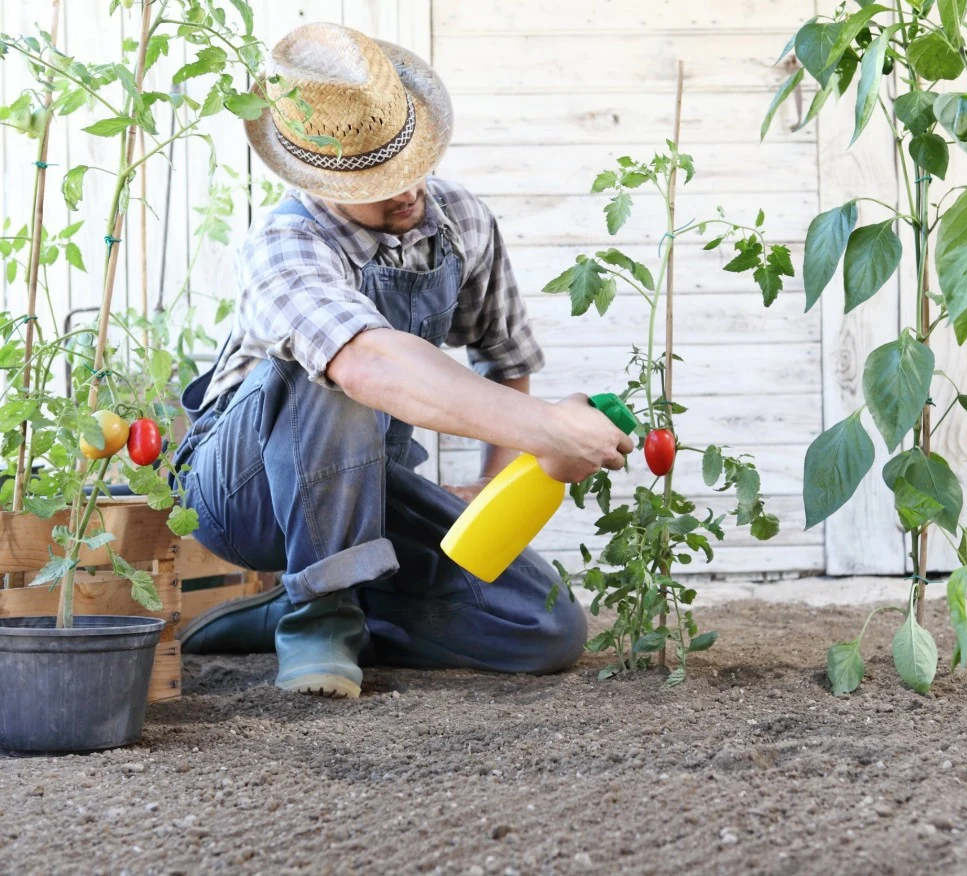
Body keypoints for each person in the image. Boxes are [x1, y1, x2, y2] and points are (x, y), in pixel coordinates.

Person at [174, 22, 632, 699]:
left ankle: (316, 604)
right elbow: (365, 364)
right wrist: (544, 429)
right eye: (378, 178)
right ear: (320, 178)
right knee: (330, 370)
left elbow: (505, 357)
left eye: (410, 161)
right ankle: (316, 620)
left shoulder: (460, 222)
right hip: (240, 496)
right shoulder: (285, 245)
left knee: (545, 629)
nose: (407, 187)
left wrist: (491, 487)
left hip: (368, 484)